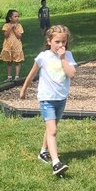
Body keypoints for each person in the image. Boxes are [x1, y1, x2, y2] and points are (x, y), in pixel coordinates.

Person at [19, 25, 76, 177]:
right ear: (49, 41)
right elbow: (32, 74)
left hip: (61, 98)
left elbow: (71, 74)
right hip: (46, 99)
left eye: (63, 41)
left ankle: (43, 151)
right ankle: (56, 163)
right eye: (57, 41)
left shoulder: (68, 55)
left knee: (51, 128)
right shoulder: (43, 57)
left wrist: (63, 58)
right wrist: (24, 89)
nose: (61, 45)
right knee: (52, 130)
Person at [0, 8, 24, 80]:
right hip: (8, 46)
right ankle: (9, 77)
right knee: (9, 62)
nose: (17, 18)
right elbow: (6, 35)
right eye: (15, 16)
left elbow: (19, 36)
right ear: (10, 18)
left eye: (18, 16)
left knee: (17, 61)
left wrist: (15, 29)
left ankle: (17, 77)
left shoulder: (19, 26)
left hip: (17, 46)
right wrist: (10, 28)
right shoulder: (6, 25)